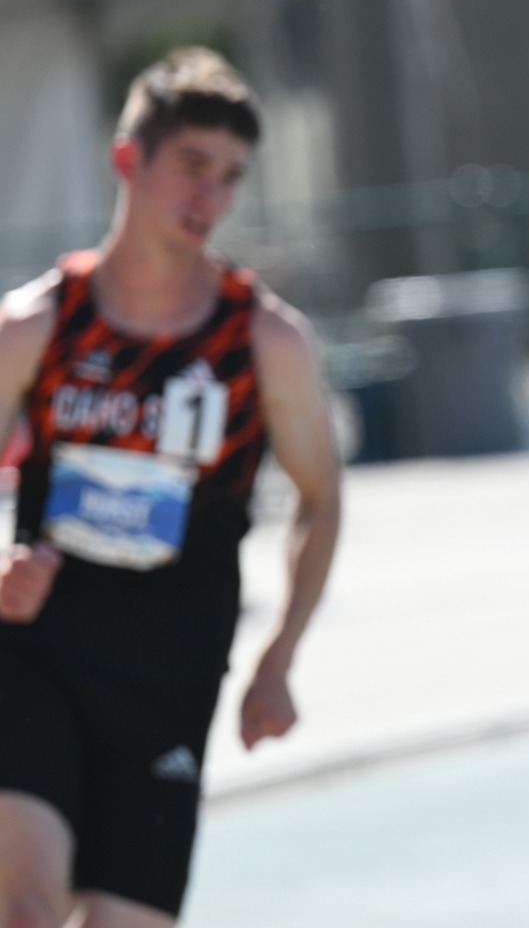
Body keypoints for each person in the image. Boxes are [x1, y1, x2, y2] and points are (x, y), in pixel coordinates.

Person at [0, 48, 342, 928]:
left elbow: (321, 498)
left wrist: (279, 658)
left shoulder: (264, 341)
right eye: (192, 164)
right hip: (33, 660)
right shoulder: (38, 324)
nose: (210, 195)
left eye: (229, 176)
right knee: (25, 910)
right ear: (128, 159)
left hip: (167, 685)